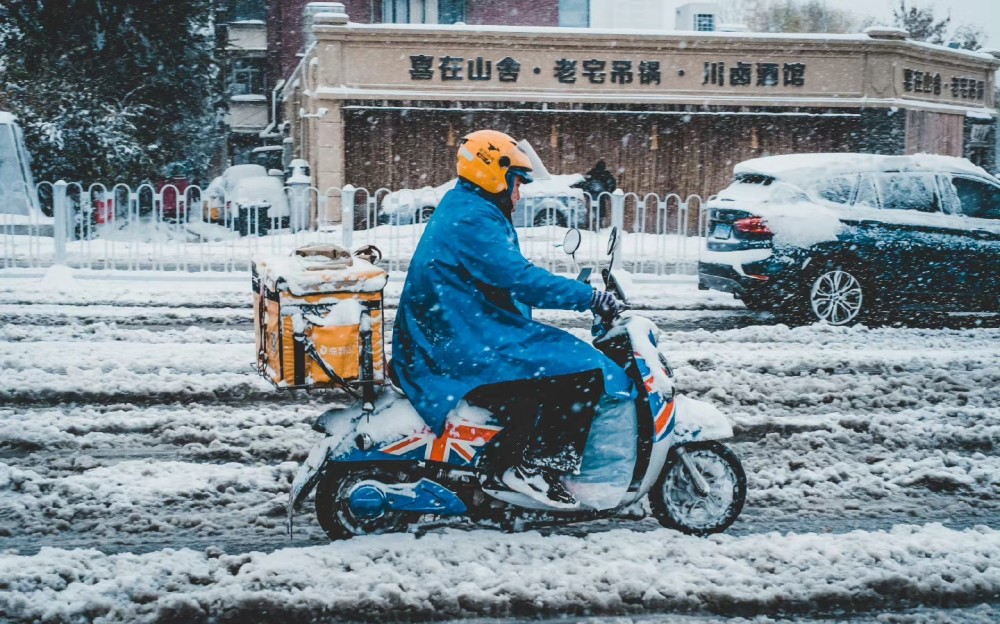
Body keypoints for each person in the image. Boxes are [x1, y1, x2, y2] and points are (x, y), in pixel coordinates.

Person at [391, 129, 631, 509]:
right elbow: (517, 278)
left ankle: (509, 462)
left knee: (552, 361)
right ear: (493, 173)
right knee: (581, 372)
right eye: (516, 182)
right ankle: (531, 469)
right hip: (455, 343)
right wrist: (588, 297)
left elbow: (506, 278)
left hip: (460, 331)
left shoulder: (469, 207)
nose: (518, 195)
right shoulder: (472, 218)